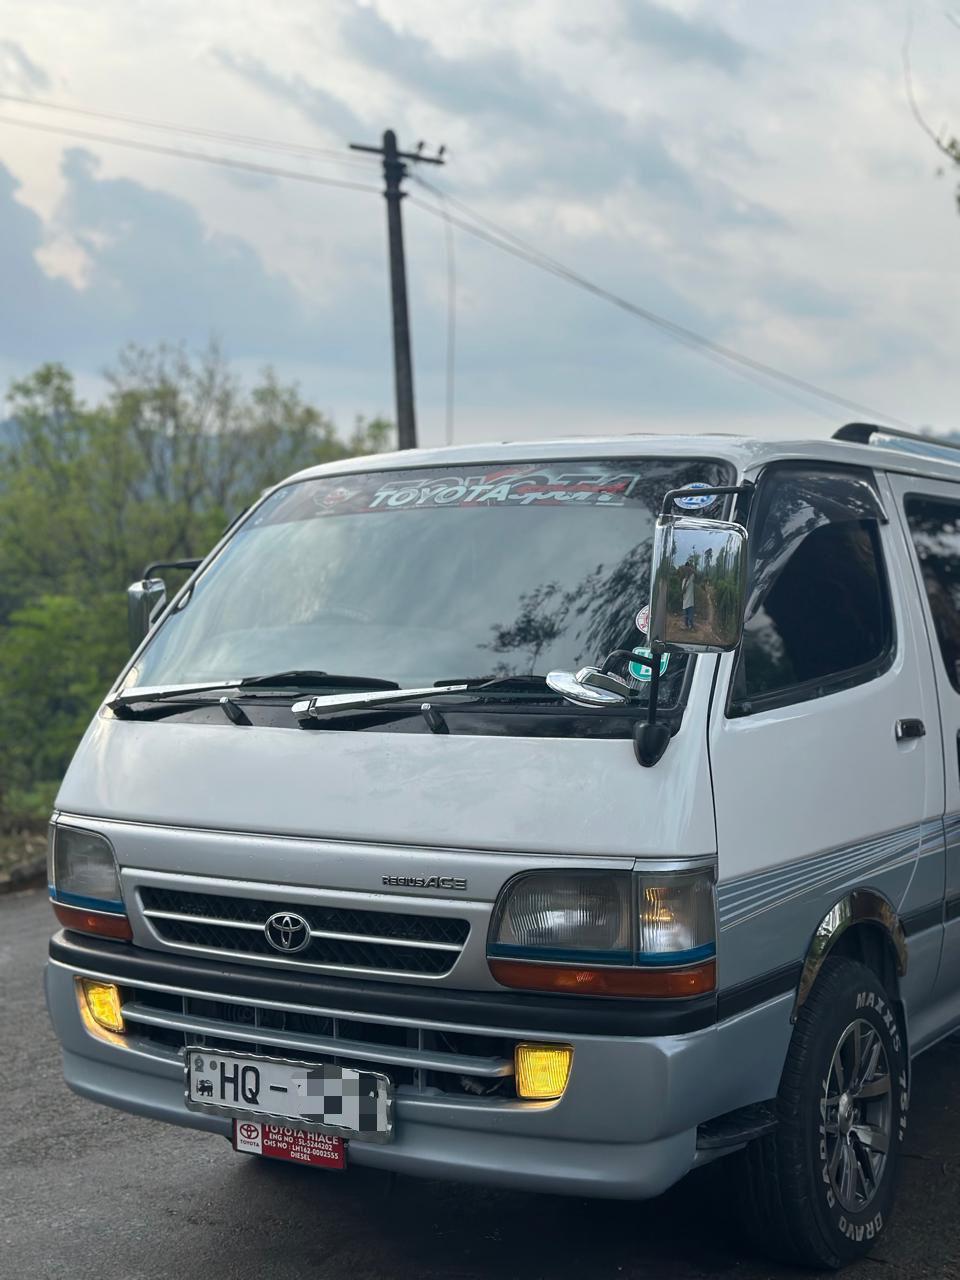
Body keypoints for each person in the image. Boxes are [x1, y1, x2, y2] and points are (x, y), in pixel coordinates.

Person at [680, 562, 695, 630]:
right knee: (685, 617)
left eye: (688, 569)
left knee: (690, 617)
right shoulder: (684, 581)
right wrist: (686, 580)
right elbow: (683, 591)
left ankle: (691, 626)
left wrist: (690, 569)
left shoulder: (692, 577)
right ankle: (686, 626)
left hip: (690, 602)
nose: (687, 571)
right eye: (686, 570)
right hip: (685, 601)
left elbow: (697, 574)